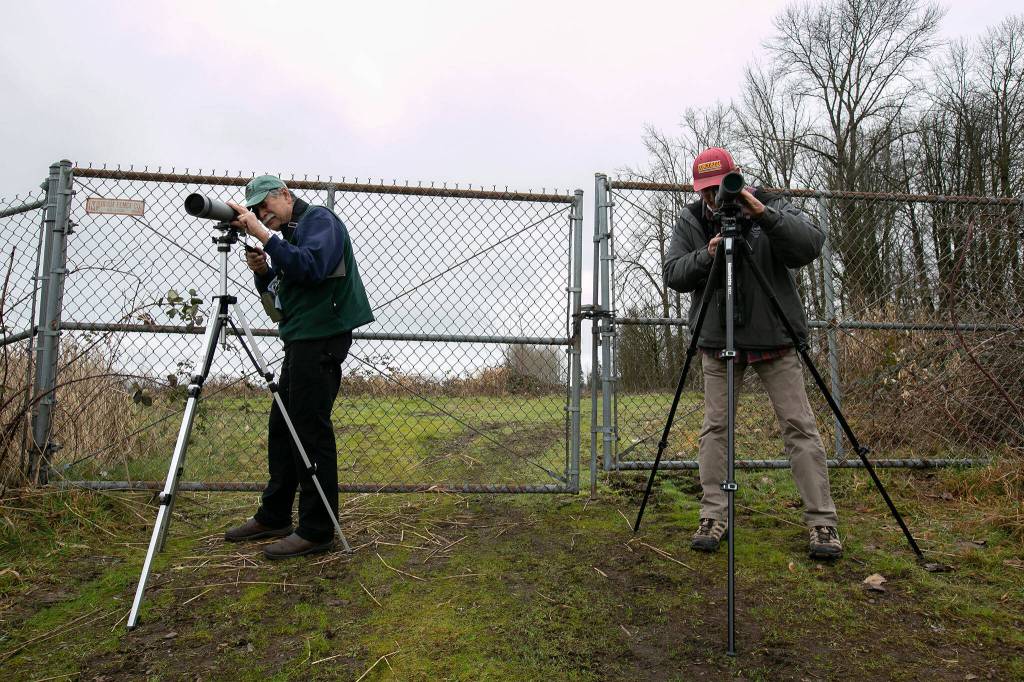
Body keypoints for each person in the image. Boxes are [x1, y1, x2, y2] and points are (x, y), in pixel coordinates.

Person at [663, 147, 842, 560]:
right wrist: (707, 255)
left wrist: (763, 214)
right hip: (716, 338)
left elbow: (810, 245)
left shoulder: (770, 204)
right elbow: (673, 273)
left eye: (719, 188)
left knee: (799, 426)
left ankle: (822, 523)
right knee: (716, 429)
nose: (714, 199)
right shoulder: (692, 219)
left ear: (736, 178)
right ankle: (714, 515)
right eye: (705, 191)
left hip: (774, 338)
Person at [221, 175, 374, 559]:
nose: (260, 214)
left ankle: (317, 528)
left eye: (265, 206)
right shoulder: (290, 236)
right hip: (301, 339)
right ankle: (274, 515)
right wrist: (264, 272)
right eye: (254, 211)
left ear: (286, 195)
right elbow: (286, 297)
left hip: (321, 339)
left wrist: (264, 237)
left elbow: (312, 268)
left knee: (309, 431)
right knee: (283, 427)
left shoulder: (319, 221)